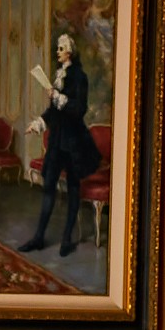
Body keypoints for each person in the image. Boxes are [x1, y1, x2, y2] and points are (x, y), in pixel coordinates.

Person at [20, 33, 102, 257]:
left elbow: (79, 109)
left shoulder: (80, 77)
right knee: (49, 187)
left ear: (70, 52)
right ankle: (39, 237)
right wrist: (38, 123)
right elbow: (53, 112)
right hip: (57, 140)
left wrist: (58, 97)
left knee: (73, 188)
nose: (57, 52)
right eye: (57, 48)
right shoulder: (59, 75)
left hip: (74, 141)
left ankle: (66, 239)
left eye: (61, 48)